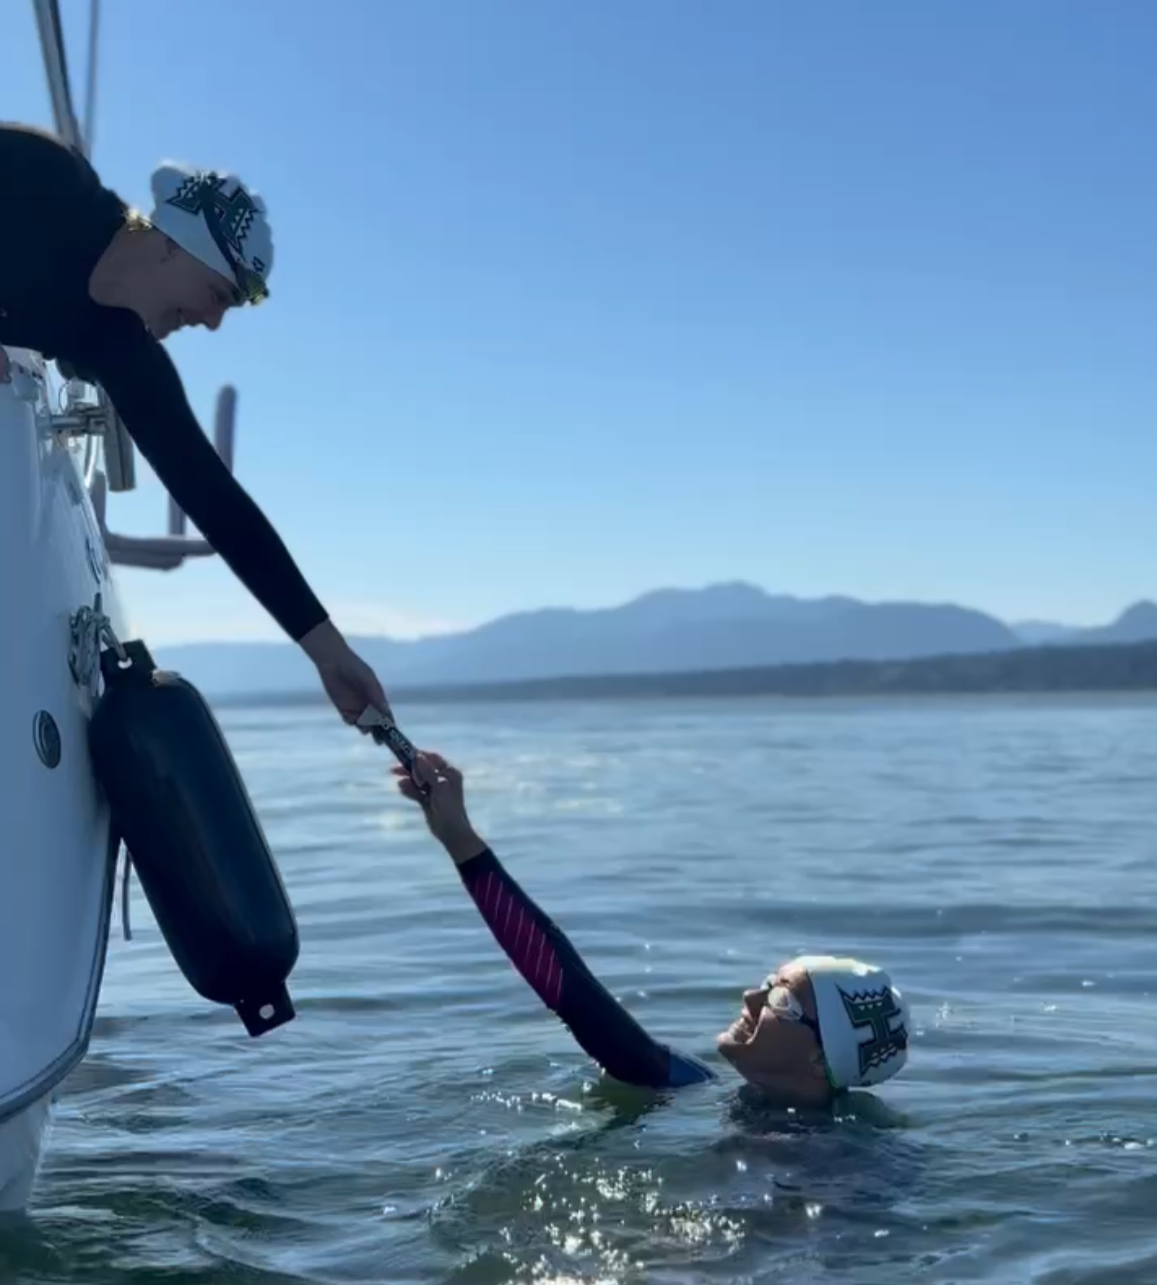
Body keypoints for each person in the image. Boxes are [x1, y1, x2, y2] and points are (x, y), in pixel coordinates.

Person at [0, 122, 387, 723]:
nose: (210, 323)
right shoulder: (46, 176)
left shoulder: (120, 349)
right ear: (171, 246)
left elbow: (215, 499)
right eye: (218, 296)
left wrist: (328, 653)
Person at [393, 750, 912, 1106]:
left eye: (781, 1002)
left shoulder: (850, 1173)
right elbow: (569, 991)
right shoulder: (690, 1088)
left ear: (823, 1058)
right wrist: (458, 839)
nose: (750, 997)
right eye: (769, 983)